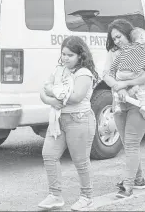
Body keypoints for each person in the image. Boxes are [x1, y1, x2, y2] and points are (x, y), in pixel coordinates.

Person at [38, 36, 98, 211]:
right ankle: (55, 195)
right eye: (63, 54)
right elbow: (43, 92)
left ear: (80, 55)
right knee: (49, 155)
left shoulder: (84, 73)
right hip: (58, 119)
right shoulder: (59, 70)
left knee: (80, 161)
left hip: (79, 120)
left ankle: (87, 197)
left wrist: (52, 92)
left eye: (70, 55)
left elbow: (77, 97)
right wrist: (52, 100)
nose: (65, 58)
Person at [103, 19, 145, 198]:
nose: (117, 41)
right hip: (120, 103)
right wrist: (118, 86)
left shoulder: (142, 47)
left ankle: (128, 185)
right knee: (128, 144)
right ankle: (138, 179)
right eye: (114, 38)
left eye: (119, 36)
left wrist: (126, 83)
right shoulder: (113, 53)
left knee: (132, 143)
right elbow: (106, 74)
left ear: (128, 33)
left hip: (143, 101)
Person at [109, 27, 145, 119]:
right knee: (140, 86)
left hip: (121, 75)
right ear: (142, 37)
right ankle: (143, 105)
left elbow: (116, 62)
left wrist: (113, 71)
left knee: (121, 87)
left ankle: (117, 106)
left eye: (118, 37)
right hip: (134, 73)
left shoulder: (125, 49)